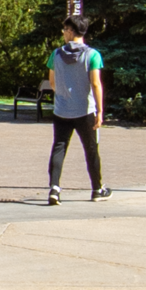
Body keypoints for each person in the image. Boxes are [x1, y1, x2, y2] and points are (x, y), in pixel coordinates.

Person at [46, 14, 112, 205]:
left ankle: (54, 189)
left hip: (61, 111)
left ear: (71, 31)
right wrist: (100, 111)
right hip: (85, 111)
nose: (63, 33)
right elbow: (96, 84)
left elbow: (52, 81)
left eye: (65, 30)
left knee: (59, 147)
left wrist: (63, 95)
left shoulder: (56, 54)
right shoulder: (92, 55)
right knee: (91, 149)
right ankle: (97, 190)